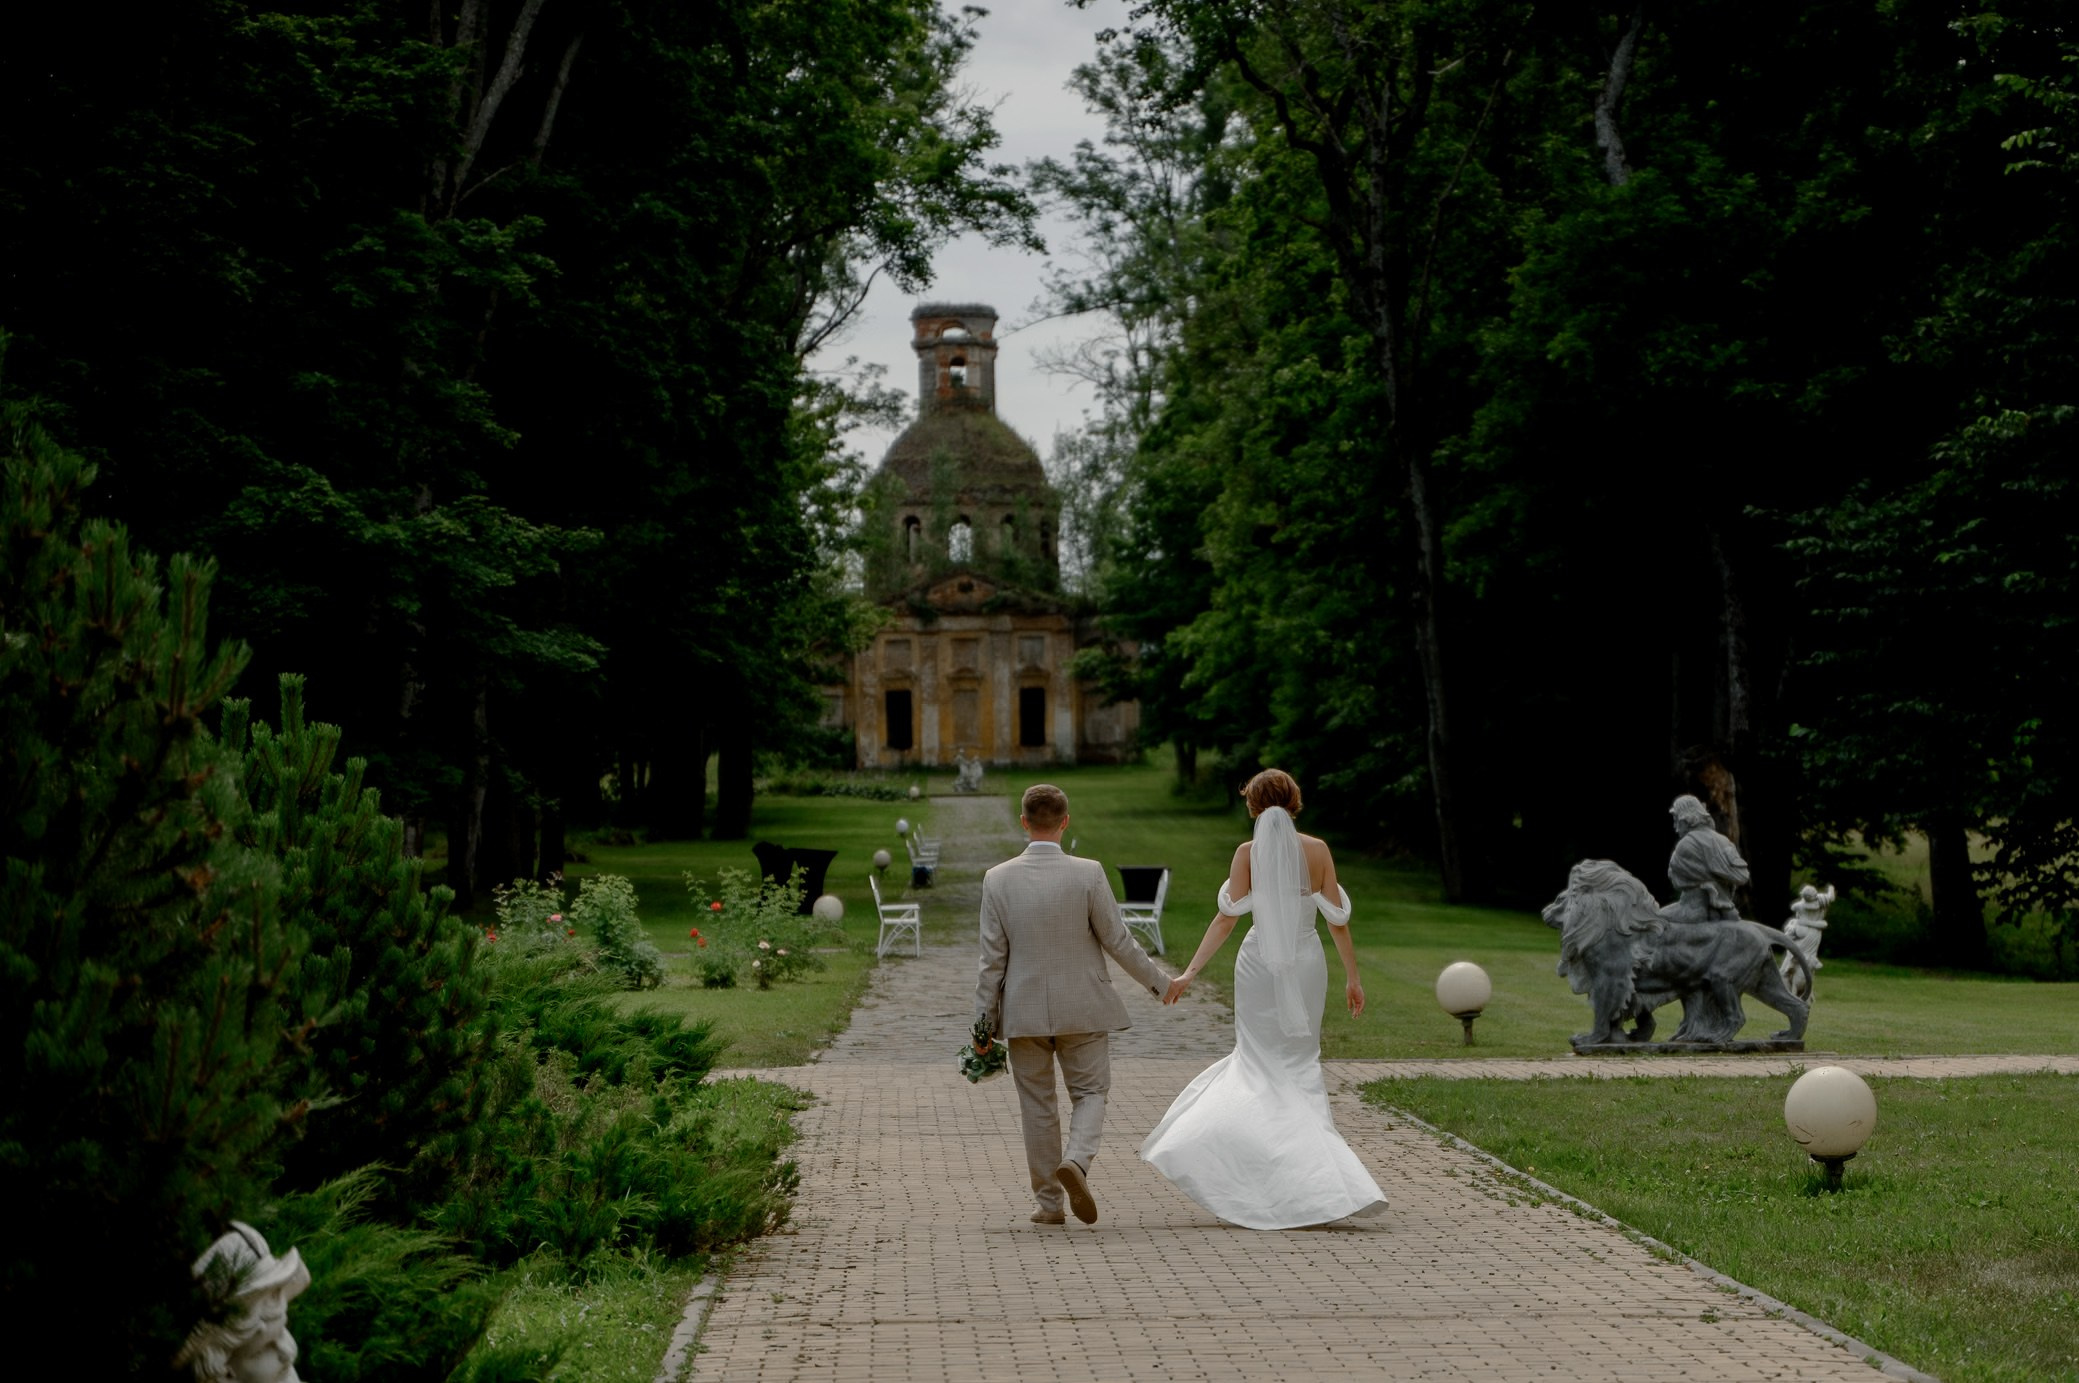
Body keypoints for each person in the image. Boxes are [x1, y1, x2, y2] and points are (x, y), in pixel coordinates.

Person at [1140, 769, 1387, 1229]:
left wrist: (1190, 972)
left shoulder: (1246, 854)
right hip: (1307, 960)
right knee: (1299, 1063)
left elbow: (1227, 918)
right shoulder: (1317, 851)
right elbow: (1337, 920)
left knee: (1256, 1063)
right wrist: (1353, 978)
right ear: (1295, 801)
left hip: (1257, 967)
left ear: (1252, 805)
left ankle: (1257, 1176)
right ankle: (1317, 1184)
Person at [973, 783, 1175, 1225]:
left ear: (1023, 822)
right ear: (1065, 822)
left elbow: (992, 960)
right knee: (1090, 1092)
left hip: (1023, 1012)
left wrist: (982, 1027)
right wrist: (1161, 984)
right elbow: (1117, 940)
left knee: (1037, 1106)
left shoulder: (997, 878)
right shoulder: (1088, 873)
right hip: (1083, 1006)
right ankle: (1078, 1160)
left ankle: (1049, 1204)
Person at [1663, 794, 1749, 924]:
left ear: (1686, 818)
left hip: (1693, 909)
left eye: (1676, 820)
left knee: (1653, 922)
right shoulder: (1723, 840)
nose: (1675, 827)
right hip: (1723, 909)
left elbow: (1674, 877)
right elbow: (1741, 875)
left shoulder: (1686, 844)